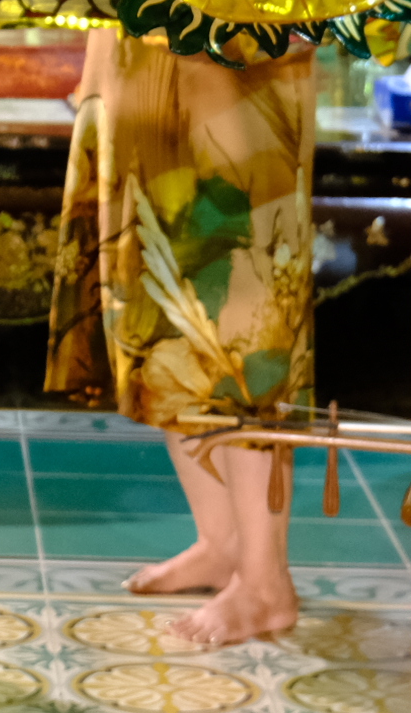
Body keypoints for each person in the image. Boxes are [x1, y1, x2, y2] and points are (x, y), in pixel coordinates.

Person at [48, 37, 319, 647]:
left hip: (246, 40)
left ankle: (264, 580)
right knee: (162, 301)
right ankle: (221, 543)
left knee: (243, 317)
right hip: (143, 40)